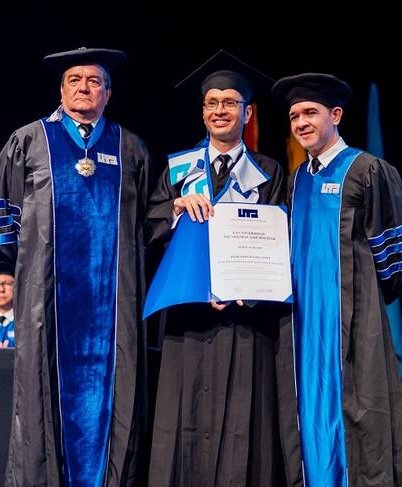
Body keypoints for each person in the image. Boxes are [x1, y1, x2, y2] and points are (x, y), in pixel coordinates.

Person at [0, 47, 150, 487]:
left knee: (115, 393)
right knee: (41, 391)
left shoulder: (129, 147)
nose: (84, 87)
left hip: (112, 305)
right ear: (61, 89)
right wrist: (36, 269)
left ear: (108, 93)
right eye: (74, 80)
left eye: (94, 81)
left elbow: (145, 222)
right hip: (47, 299)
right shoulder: (29, 140)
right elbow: (5, 221)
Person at [146, 50, 299, 487]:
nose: (219, 110)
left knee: (244, 420)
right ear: (202, 111)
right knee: (184, 416)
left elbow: (279, 240)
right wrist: (176, 207)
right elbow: (148, 229)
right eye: (212, 103)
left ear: (247, 113)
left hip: (246, 317)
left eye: (230, 102)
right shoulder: (179, 169)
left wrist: (248, 289)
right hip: (188, 315)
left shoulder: (268, 171)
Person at [272, 73, 402, 486]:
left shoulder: (366, 170)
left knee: (362, 412)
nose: (301, 122)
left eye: (310, 112)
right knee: (308, 407)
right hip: (304, 323)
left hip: (353, 319)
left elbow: (395, 258)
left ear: (335, 115)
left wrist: (365, 304)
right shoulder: (297, 179)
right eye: (294, 116)